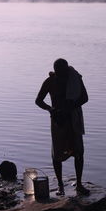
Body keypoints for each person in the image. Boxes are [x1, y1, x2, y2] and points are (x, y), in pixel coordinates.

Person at [35, 58, 90, 195]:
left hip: (73, 118)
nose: (62, 74)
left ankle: (79, 184)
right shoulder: (50, 82)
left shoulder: (75, 79)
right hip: (58, 120)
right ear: (55, 71)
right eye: (59, 72)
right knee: (57, 154)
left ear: (67, 69)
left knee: (78, 152)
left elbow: (85, 98)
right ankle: (60, 185)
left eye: (64, 71)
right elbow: (38, 100)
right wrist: (51, 109)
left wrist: (71, 106)